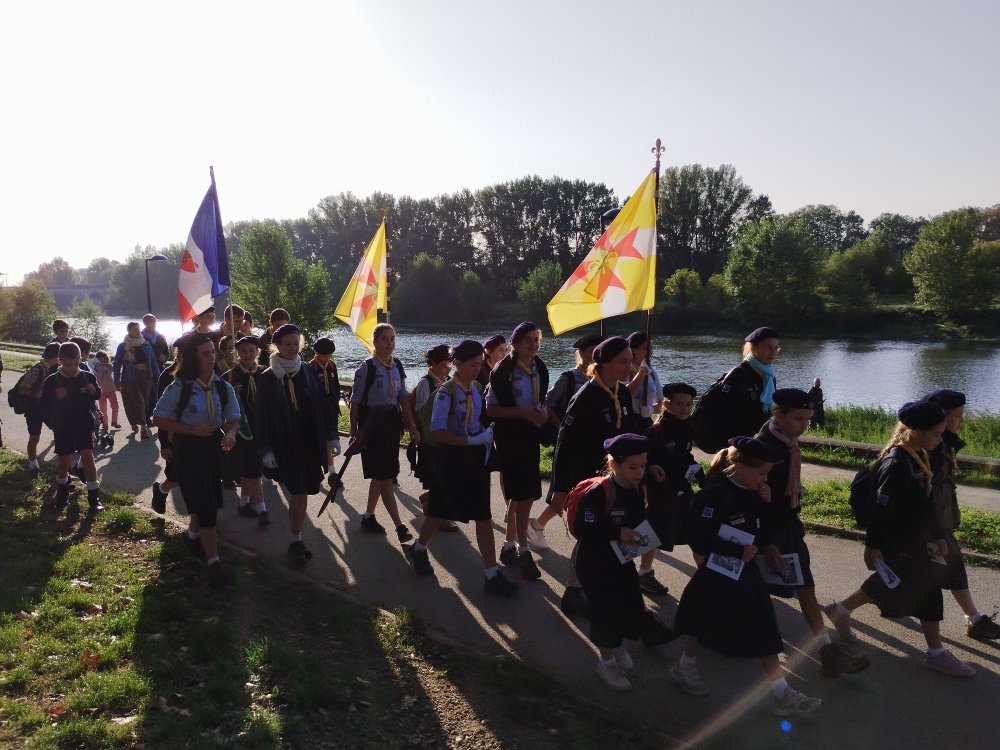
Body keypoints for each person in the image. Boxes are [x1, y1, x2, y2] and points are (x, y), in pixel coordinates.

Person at [671, 437, 823, 716]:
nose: (764, 478)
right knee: (702, 621)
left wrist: (766, 524)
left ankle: (780, 692)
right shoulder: (713, 496)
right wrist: (735, 550)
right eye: (761, 473)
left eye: (767, 474)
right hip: (719, 571)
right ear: (738, 466)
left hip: (747, 570)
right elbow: (699, 539)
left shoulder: (754, 492)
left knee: (764, 625)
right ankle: (685, 665)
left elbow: (757, 527)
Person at [823, 401, 976, 677]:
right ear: (914, 432)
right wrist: (873, 547)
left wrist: (938, 534)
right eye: (936, 434)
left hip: (915, 539)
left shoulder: (921, 453)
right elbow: (883, 511)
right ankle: (936, 652)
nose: (940, 440)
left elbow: (924, 504)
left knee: (891, 581)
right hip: (899, 540)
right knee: (926, 589)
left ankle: (841, 609)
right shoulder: (898, 463)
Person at [755, 388, 870, 677]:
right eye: (799, 418)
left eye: (808, 419)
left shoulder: (788, 441)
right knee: (762, 589)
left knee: (805, 586)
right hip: (769, 531)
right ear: (776, 414)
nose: (805, 425)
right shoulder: (765, 448)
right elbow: (757, 502)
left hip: (788, 525)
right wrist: (767, 541)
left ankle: (827, 650)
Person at [406, 340, 519, 596]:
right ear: (457, 363)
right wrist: (470, 439)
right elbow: (438, 432)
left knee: (483, 515)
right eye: (472, 365)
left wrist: (482, 434)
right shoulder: (446, 393)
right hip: (451, 459)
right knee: (439, 510)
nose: (477, 369)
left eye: (480, 364)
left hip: (474, 458)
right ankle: (420, 548)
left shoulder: (477, 387)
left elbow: (476, 419)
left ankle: (491, 574)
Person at [574, 433, 678, 691]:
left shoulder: (633, 489)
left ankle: (616, 642)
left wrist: (644, 534)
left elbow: (635, 520)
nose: (640, 472)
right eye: (633, 467)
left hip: (620, 561)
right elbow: (582, 528)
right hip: (595, 563)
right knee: (604, 610)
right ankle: (606, 662)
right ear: (613, 465)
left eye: (643, 465)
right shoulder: (600, 492)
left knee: (630, 602)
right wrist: (616, 532)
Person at [549, 336, 638, 615]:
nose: (629, 367)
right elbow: (565, 443)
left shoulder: (621, 393)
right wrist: (561, 486)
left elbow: (630, 432)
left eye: (629, 360)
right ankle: (576, 589)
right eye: (623, 362)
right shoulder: (585, 397)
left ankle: (591, 587)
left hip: (615, 476)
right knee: (591, 537)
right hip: (588, 480)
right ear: (603, 364)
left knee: (606, 535)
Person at [153, 333, 241, 585]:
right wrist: (191, 430)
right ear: (193, 357)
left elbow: (233, 418)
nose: (212, 357)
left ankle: (193, 536)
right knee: (206, 507)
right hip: (188, 448)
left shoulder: (222, 386)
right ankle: (214, 563)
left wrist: (232, 434)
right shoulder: (179, 387)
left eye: (213, 352)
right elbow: (158, 418)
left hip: (214, 447)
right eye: (206, 353)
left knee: (208, 499)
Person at [254, 324, 337, 564]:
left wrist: (331, 434)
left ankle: (295, 537)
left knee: (303, 491)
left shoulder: (308, 372)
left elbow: (323, 405)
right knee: (298, 489)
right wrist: (265, 449)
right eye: (287, 344)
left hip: (309, 443)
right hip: (284, 444)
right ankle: (296, 540)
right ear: (277, 346)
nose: (292, 348)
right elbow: (261, 416)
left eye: (296, 343)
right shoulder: (268, 378)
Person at [923, 389, 1000, 640]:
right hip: (929, 527)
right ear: (943, 419)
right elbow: (925, 496)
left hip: (938, 524)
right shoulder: (931, 449)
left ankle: (974, 619)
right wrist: (936, 531)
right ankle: (971, 622)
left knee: (898, 578)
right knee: (946, 568)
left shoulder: (944, 444)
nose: (962, 421)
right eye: (958, 416)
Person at [486, 322, 550, 580]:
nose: (533, 345)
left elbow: (540, 400)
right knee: (522, 494)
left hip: (530, 435)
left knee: (524, 495)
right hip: (510, 437)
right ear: (516, 344)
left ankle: (508, 545)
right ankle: (524, 550)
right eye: (527, 340)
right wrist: (520, 413)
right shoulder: (503, 371)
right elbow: (490, 410)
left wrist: (541, 415)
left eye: (536, 340)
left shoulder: (540, 368)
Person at [528, 332, 603, 549]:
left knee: (590, 492)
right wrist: (562, 426)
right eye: (593, 352)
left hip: (593, 445)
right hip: (571, 445)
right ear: (582, 354)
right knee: (562, 494)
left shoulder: (603, 379)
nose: (597, 356)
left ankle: (588, 536)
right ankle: (538, 524)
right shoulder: (569, 378)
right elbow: (548, 404)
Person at [349, 323, 419, 544]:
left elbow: (403, 397)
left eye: (392, 339)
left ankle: (368, 516)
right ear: (375, 342)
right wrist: (353, 432)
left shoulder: (397, 365)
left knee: (383, 473)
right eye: (384, 339)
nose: (390, 344)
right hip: (372, 424)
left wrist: (411, 425)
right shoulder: (366, 369)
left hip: (391, 423)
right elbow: (355, 402)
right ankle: (399, 526)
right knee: (385, 477)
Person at [642, 382, 703, 595]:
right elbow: (644, 457)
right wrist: (651, 467)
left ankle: (707, 574)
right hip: (661, 491)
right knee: (655, 531)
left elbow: (685, 454)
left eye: (689, 404)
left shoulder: (687, 426)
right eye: (679, 404)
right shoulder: (656, 431)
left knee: (695, 529)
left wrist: (698, 471)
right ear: (667, 404)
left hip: (682, 487)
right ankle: (644, 573)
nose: (685, 409)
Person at [691, 326, 780, 453]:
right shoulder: (739, 374)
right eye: (767, 347)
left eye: (776, 348)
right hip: (735, 443)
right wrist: (731, 445)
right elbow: (724, 413)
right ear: (754, 347)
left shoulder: (768, 376)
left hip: (756, 440)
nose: (772, 352)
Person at [40, 342, 103, 511]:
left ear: (80, 359)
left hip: (83, 423)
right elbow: (43, 407)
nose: (71, 368)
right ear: (60, 361)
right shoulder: (52, 381)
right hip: (63, 426)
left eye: (75, 363)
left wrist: (93, 391)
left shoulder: (87, 376)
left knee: (87, 456)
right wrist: (55, 403)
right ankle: (62, 489)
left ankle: (93, 497)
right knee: (64, 459)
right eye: (68, 364)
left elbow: (97, 393)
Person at [408, 344, 458, 532]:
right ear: (434, 364)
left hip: (445, 436)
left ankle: (429, 500)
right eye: (445, 364)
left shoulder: (446, 381)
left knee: (445, 475)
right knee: (440, 476)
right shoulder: (425, 383)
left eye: (450, 364)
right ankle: (437, 515)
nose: (448, 368)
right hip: (431, 438)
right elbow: (421, 412)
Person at [223, 335, 269, 526]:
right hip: (240, 431)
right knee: (254, 472)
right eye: (243, 351)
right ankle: (262, 511)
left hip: (261, 429)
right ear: (237, 353)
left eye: (251, 351)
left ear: (258, 352)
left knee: (249, 471)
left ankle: (244, 504)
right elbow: (222, 405)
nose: (247, 355)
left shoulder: (266, 374)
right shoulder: (229, 377)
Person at [19, 342, 61, 477]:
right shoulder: (37, 369)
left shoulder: (53, 368)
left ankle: (62, 467)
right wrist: (39, 394)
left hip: (46, 408)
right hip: (34, 408)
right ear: (56, 356)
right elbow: (23, 389)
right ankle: (33, 464)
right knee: (35, 436)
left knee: (60, 431)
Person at [113, 321, 160, 439]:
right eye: (135, 329)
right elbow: (117, 364)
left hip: (146, 376)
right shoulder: (123, 346)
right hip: (130, 377)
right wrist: (117, 381)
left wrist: (158, 376)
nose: (138, 331)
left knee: (144, 401)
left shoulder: (146, 344)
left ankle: (136, 421)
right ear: (129, 331)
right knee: (134, 401)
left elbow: (153, 361)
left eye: (139, 329)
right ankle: (143, 427)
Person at [307, 336, 343, 465]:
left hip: (331, 407)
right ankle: (315, 465)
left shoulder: (332, 366)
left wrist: (336, 399)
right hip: (316, 409)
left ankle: (331, 469)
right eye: (324, 355)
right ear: (316, 353)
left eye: (329, 355)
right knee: (316, 439)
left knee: (330, 438)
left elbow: (336, 385)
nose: (327, 358)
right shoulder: (310, 368)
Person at [625, 331, 663, 432]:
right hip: (626, 423)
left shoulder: (652, 373)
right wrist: (642, 372)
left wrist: (651, 410)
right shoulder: (624, 371)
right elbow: (625, 396)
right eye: (645, 347)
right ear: (633, 350)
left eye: (651, 347)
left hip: (645, 423)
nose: (650, 351)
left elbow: (660, 403)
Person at [92, 351, 120, 429]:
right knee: (103, 409)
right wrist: (101, 367)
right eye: (101, 359)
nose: (104, 361)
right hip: (102, 392)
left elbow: (117, 371)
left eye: (105, 359)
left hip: (111, 390)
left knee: (115, 406)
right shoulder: (96, 368)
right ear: (97, 360)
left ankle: (114, 422)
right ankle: (105, 424)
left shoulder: (109, 366)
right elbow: (99, 376)